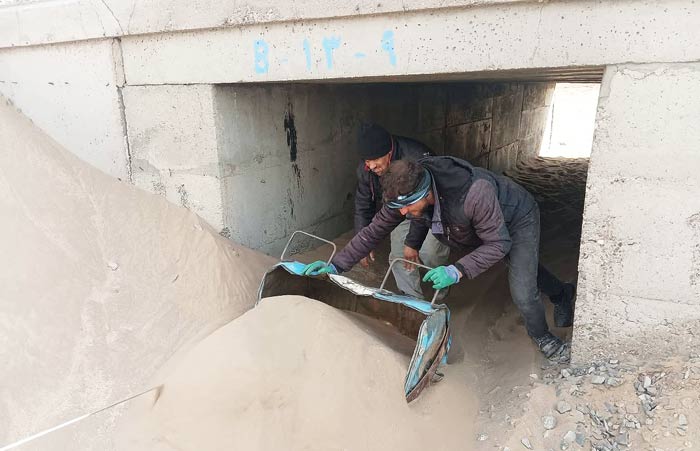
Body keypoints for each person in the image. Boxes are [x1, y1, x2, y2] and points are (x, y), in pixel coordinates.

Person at [303, 156, 575, 359]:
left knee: (523, 289)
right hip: (477, 225)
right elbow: (374, 231)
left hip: (516, 218)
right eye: (399, 207)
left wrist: (456, 270)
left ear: (424, 194)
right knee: (523, 267)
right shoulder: (405, 190)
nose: (403, 212)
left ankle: (543, 337)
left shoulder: (473, 193)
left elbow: (499, 243)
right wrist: (335, 265)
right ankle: (563, 292)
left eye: (407, 206)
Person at [352, 123, 450, 301]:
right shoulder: (367, 170)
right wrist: (362, 242)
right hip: (399, 210)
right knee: (399, 255)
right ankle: (412, 302)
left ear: (389, 153)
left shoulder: (418, 157)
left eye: (375, 160)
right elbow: (363, 204)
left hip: (431, 209)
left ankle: (440, 292)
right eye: (366, 161)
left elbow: (430, 204)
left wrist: (412, 243)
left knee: (430, 253)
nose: (371, 166)